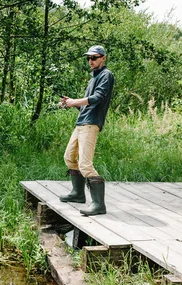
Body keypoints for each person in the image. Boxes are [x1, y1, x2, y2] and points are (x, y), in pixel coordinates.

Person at [59, 45, 114, 216]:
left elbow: (98, 98)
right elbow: (88, 105)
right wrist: (71, 103)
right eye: (88, 58)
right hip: (82, 122)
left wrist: (75, 101)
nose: (90, 61)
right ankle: (78, 194)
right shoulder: (93, 78)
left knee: (85, 164)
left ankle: (98, 205)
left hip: (91, 125)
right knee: (69, 157)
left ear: (103, 58)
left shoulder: (106, 75)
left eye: (94, 58)